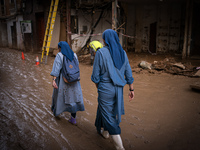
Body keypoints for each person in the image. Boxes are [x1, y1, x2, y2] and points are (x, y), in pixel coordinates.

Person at [91, 29, 134, 150]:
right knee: (108, 111)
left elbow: (95, 76)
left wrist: (98, 88)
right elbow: (128, 73)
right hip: (119, 90)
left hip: (105, 89)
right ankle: (105, 132)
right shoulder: (123, 53)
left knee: (109, 117)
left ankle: (120, 147)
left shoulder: (100, 53)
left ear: (105, 40)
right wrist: (131, 89)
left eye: (103, 38)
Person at [50, 41, 85, 125]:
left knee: (60, 96)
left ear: (60, 48)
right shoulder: (74, 54)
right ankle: (73, 119)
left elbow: (56, 69)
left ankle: (57, 113)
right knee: (74, 99)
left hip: (63, 81)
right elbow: (76, 67)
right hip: (74, 81)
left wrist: (54, 79)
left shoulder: (59, 55)